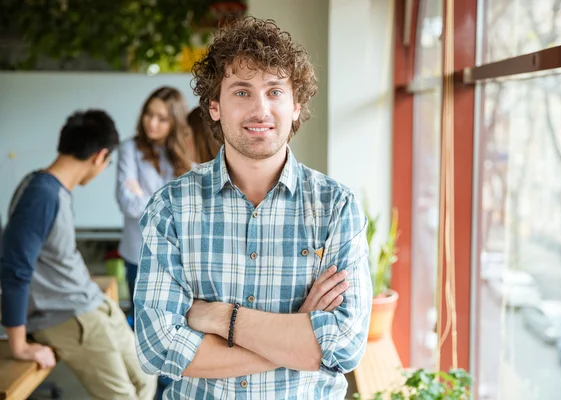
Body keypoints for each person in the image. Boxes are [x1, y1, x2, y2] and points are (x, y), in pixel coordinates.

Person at [135, 17, 372, 399]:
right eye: (241, 92)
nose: (260, 110)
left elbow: (344, 345)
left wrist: (219, 318)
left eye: (275, 91)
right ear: (214, 106)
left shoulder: (336, 208)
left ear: (296, 106)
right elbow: (157, 347)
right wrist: (296, 335)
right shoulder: (171, 208)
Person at [0, 110, 156, 400]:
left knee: (147, 379)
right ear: (99, 157)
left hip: (91, 303)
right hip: (67, 316)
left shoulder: (53, 189)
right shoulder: (41, 195)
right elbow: (14, 271)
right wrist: (19, 346)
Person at [116, 86, 191, 319]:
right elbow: (127, 203)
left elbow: (189, 208)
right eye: (149, 114)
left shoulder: (186, 153)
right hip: (137, 252)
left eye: (162, 119)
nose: (152, 123)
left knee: (172, 320)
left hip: (177, 256)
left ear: (175, 122)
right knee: (141, 320)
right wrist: (168, 204)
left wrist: (144, 198)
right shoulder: (129, 149)